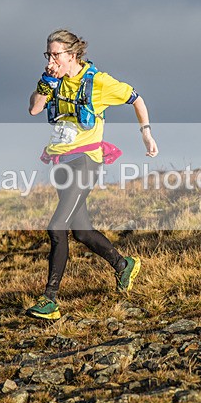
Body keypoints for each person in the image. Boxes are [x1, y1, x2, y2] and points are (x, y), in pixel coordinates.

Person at [26, 29, 158, 320]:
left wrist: (146, 135)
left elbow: (136, 98)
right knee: (82, 231)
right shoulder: (53, 80)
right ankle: (123, 265)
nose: (51, 60)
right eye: (47, 54)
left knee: (56, 227)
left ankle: (50, 300)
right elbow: (35, 109)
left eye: (55, 55)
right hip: (61, 162)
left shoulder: (98, 82)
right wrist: (47, 80)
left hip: (86, 161)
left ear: (72, 55)